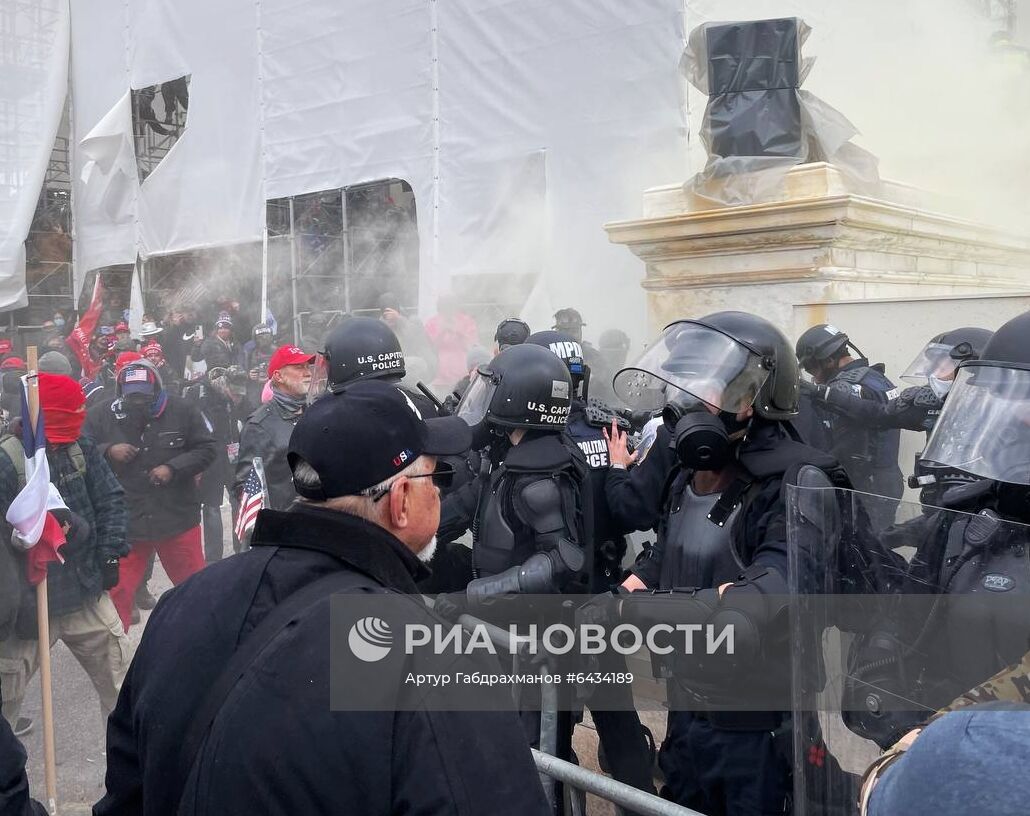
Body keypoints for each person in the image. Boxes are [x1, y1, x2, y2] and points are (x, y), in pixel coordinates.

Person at [95, 380, 550, 816]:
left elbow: (124, 795)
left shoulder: (184, 603)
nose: (441, 491)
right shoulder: (432, 663)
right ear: (402, 501)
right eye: (439, 476)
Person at [600, 311, 857, 816]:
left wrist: (633, 615)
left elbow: (766, 594)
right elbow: (670, 549)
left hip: (757, 721)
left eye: (706, 389)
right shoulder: (686, 473)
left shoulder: (796, 484)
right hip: (688, 700)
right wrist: (633, 584)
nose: (689, 405)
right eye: (684, 389)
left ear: (754, 399)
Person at [525, 330, 658, 799]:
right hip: (601, 597)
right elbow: (632, 511)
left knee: (550, 730)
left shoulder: (532, 442)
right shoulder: (611, 429)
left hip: (546, 605)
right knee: (618, 721)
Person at [0, 374, 130, 734]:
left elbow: (110, 500)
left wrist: (110, 553)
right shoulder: (6, 461)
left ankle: (135, 775)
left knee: (125, 692)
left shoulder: (82, 448)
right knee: (4, 704)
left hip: (85, 592)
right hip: (28, 607)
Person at [84, 360, 216, 630]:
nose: (138, 400)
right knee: (117, 592)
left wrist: (173, 467)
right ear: (120, 390)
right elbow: (80, 447)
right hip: (127, 521)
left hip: (176, 517)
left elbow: (207, 449)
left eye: (144, 394)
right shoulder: (100, 414)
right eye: (131, 394)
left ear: (157, 387)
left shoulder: (183, 409)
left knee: (195, 588)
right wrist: (108, 449)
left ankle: (203, 639)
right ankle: (117, 657)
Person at [795, 324, 903, 528]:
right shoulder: (877, 377)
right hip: (887, 480)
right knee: (879, 546)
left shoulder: (844, 389)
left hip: (864, 487)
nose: (812, 375)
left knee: (861, 552)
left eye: (811, 368)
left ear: (828, 361)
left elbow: (846, 452)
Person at [234, 345, 314, 517]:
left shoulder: (317, 413)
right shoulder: (259, 425)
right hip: (286, 526)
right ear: (278, 376)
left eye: (308, 367)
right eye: (299, 367)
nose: (308, 373)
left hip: (321, 521)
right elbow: (246, 488)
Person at [184, 367, 249, 562]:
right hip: (209, 455)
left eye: (240, 393)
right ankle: (213, 558)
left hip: (233, 453)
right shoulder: (199, 393)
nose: (237, 396)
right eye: (234, 392)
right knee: (212, 505)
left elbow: (249, 414)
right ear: (224, 384)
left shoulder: (238, 395)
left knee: (239, 499)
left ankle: (243, 548)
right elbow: (189, 423)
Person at [425, 293, 479, 389]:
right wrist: (442, 332)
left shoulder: (467, 321)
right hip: (439, 377)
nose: (448, 310)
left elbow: (472, 347)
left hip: (463, 375)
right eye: (445, 307)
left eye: (450, 306)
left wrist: (458, 332)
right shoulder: (432, 322)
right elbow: (430, 349)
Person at [378, 291, 437, 378]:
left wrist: (400, 320)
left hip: (416, 372)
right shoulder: (379, 326)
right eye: (386, 314)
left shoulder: (412, 321)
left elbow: (419, 341)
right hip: (392, 373)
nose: (390, 318)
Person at [241, 323, 276, 411]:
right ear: (255, 339)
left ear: (271, 336)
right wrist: (249, 374)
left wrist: (273, 377)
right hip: (255, 395)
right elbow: (239, 371)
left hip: (276, 392)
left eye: (266, 336)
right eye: (260, 337)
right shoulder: (248, 354)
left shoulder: (280, 352)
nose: (264, 339)